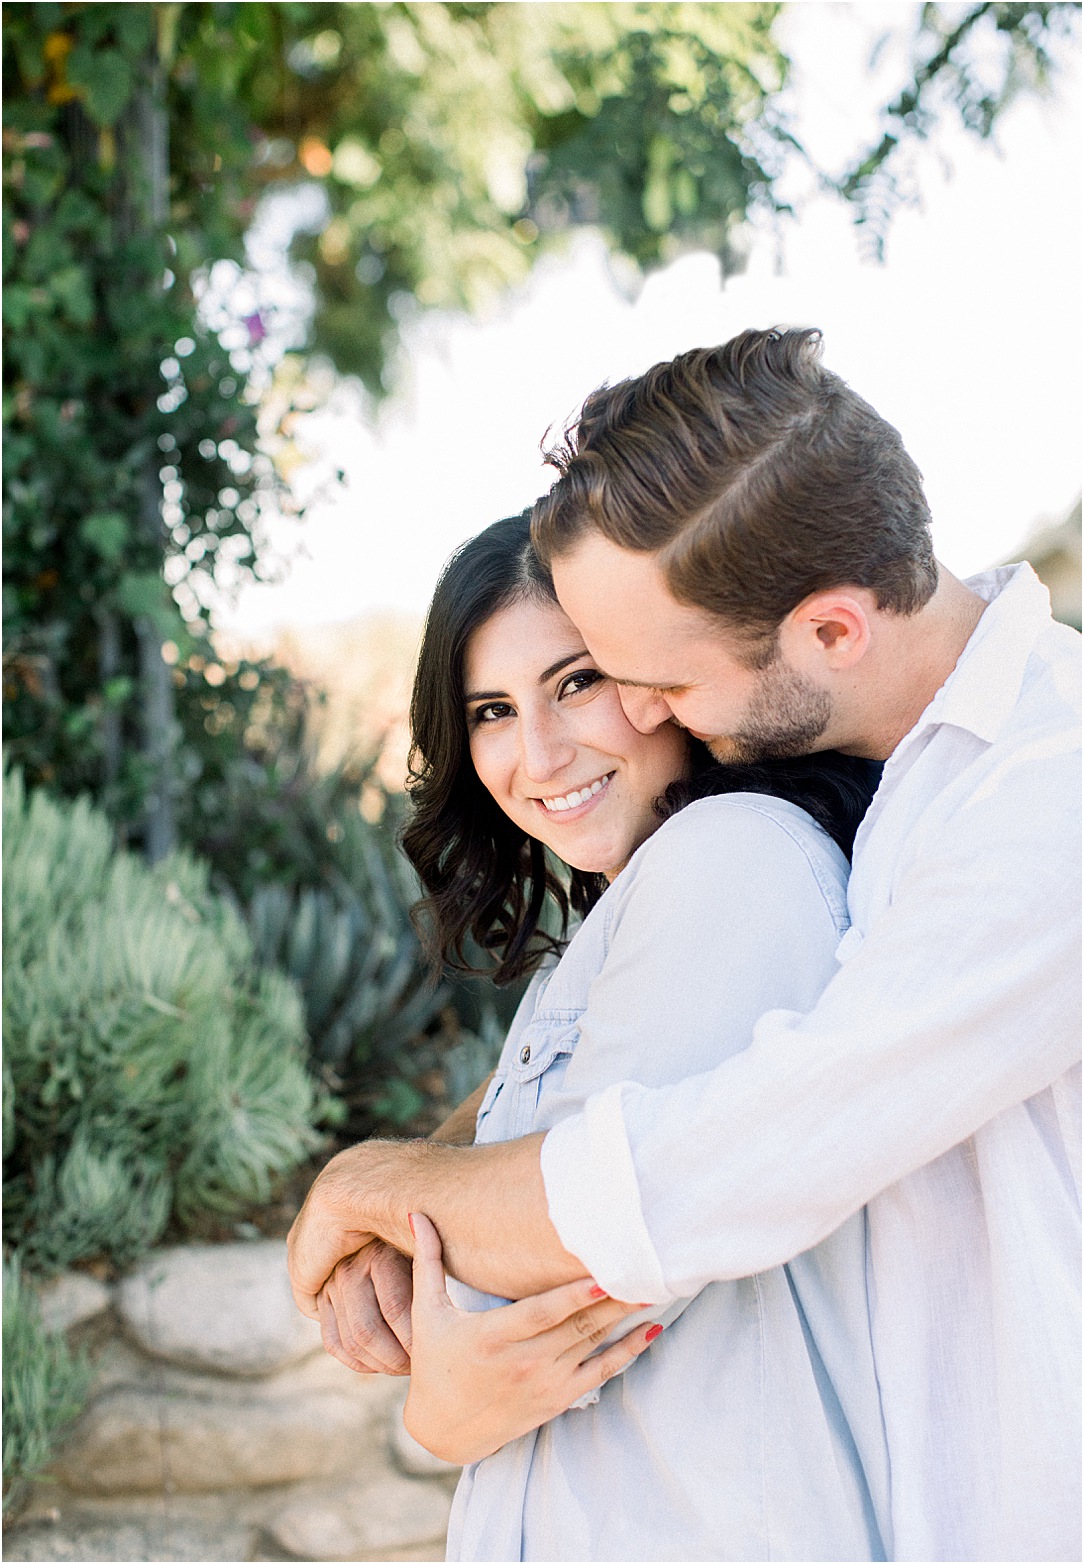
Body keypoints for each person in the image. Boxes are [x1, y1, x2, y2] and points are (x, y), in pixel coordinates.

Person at [289, 329, 1081, 1563]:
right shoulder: (883, 781)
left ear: (829, 633)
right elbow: (616, 1107)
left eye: (638, 678)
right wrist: (418, 1184)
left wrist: (370, 1194)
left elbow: (714, 1161)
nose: (639, 713)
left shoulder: (1045, 804)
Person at [352, 509, 888, 1560]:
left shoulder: (730, 860)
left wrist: (364, 1195)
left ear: (659, 681)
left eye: (576, 682)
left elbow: (567, 1253)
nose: (540, 752)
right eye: (494, 710)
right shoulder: (631, 916)